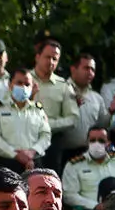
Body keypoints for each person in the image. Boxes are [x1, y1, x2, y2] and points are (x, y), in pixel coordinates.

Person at [61, 126, 115, 210]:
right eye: (92, 140)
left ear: (108, 143)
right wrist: (95, 205)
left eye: (101, 140)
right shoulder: (74, 165)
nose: (96, 144)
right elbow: (69, 195)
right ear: (87, 142)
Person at [0, 67, 52, 173]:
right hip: (6, 164)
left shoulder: (37, 109)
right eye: (19, 83)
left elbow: (46, 135)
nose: (23, 87)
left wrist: (32, 152)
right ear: (10, 85)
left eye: (27, 84)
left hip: (33, 163)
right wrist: (15, 154)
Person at [29, 39, 79, 167]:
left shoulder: (63, 86)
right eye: (47, 57)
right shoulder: (23, 79)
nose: (50, 62)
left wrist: (46, 125)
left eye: (54, 59)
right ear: (37, 57)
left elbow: (72, 119)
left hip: (52, 143)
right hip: (23, 139)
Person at [61, 52, 110, 168]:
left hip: (91, 153)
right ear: (73, 69)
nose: (90, 73)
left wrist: (111, 112)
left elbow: (103, 124)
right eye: (86, 68)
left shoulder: (96, 97)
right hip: (64, 153)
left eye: (92, 69)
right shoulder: (60, 91)